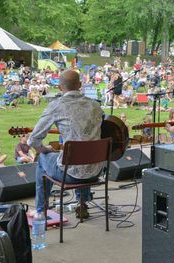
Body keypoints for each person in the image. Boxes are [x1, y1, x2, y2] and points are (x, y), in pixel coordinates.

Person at [28, 69, 103, 219]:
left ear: (60, 87)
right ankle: (82, 202)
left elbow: (33, 140)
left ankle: (40, 211)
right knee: (83, 153)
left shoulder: (57, 105)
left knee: (43, 159)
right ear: (80, 85)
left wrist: (45, 149)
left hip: (71, 175)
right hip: (96, 172)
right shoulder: (95, 105)